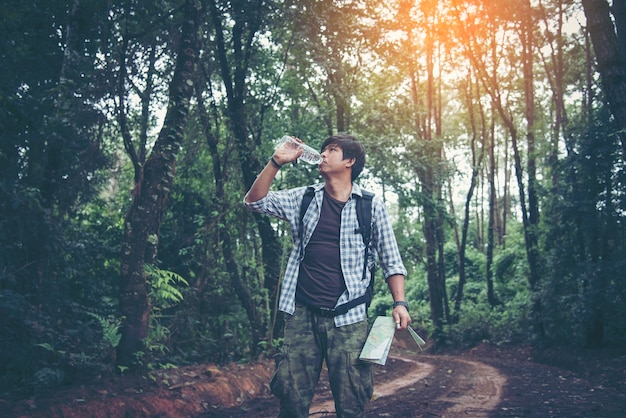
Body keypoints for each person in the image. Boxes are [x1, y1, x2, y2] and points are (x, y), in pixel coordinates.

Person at [244, 134, 411, 418]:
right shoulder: (304, 198)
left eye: (331, 150)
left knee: (351, 401)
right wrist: (276, 161)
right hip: (301, 315)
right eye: (322, 150)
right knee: (292, 400)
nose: (323, 154)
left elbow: (391, 260)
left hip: (349, 318)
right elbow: (254, 202)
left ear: (349, 161)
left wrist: (400, 303)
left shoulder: (370, 206)